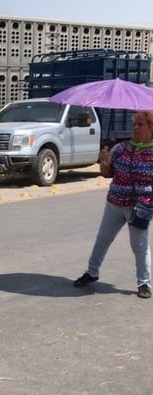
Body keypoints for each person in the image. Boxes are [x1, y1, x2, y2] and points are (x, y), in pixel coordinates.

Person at [73, 110, 153, 299]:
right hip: (115, 202)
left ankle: (144, 283)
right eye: (134, 124)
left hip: (140, 207)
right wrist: (104, 161)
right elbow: (107, 173)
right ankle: (92, 272)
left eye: (141, 125)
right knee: (103, 239)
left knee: (139, 245)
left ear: (151, 128)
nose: (136, 128)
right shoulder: (122, 148)